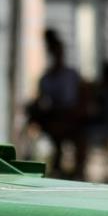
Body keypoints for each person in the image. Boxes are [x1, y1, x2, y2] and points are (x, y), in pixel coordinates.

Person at [24, 30, 86, 179]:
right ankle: (57, 168)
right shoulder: (46, 78)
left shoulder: (71, 76)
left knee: (78, 137)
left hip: (71, 119)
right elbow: (42, 102)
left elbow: (80, 101)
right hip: (53, 119)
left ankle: (75, 171)